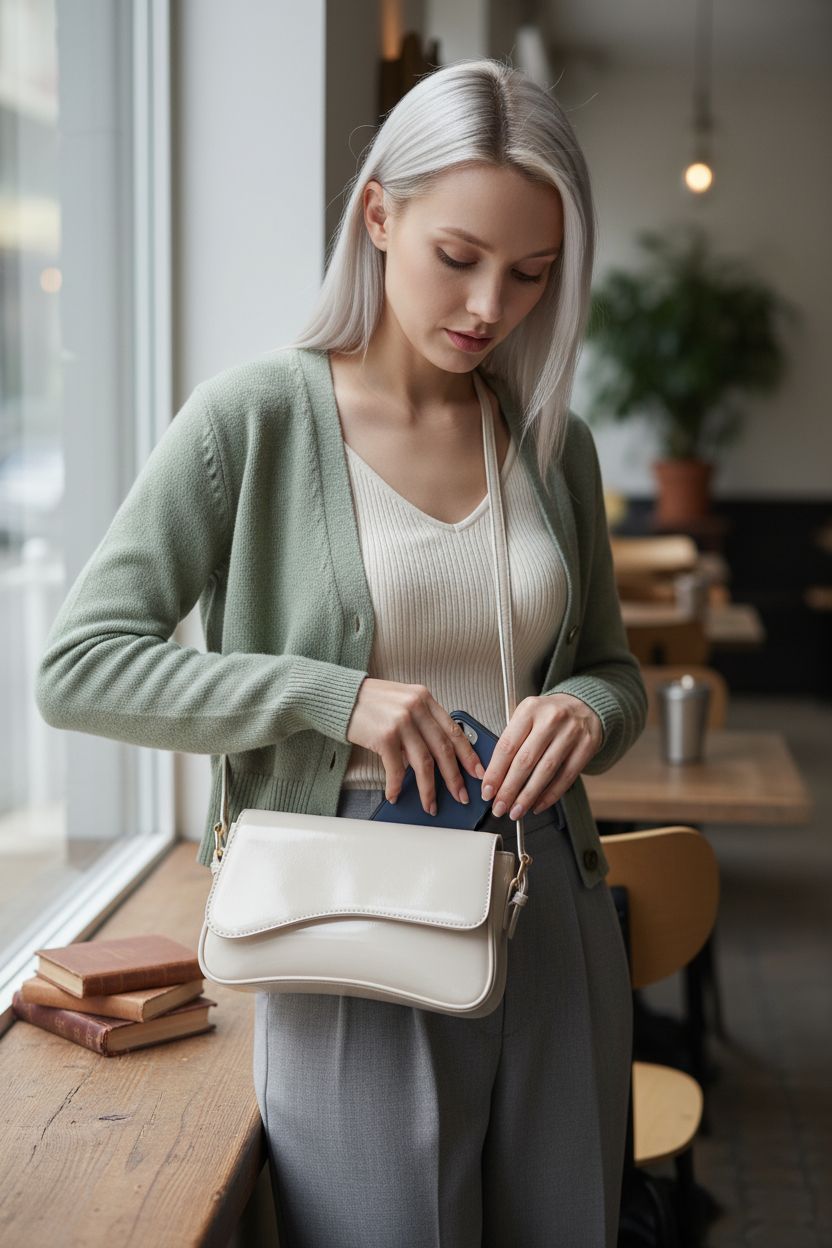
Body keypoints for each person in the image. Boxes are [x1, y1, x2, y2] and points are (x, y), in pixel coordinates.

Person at [35, 56, 646, 1248]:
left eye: (530, 275)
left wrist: (586, 712)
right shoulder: (251, 420)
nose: (488, 306)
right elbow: (79, 666)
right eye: (456, 257)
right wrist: (330, 697)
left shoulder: (548, 443)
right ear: (379, 213)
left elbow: (612, 670)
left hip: (552, 913)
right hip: (347, 912)